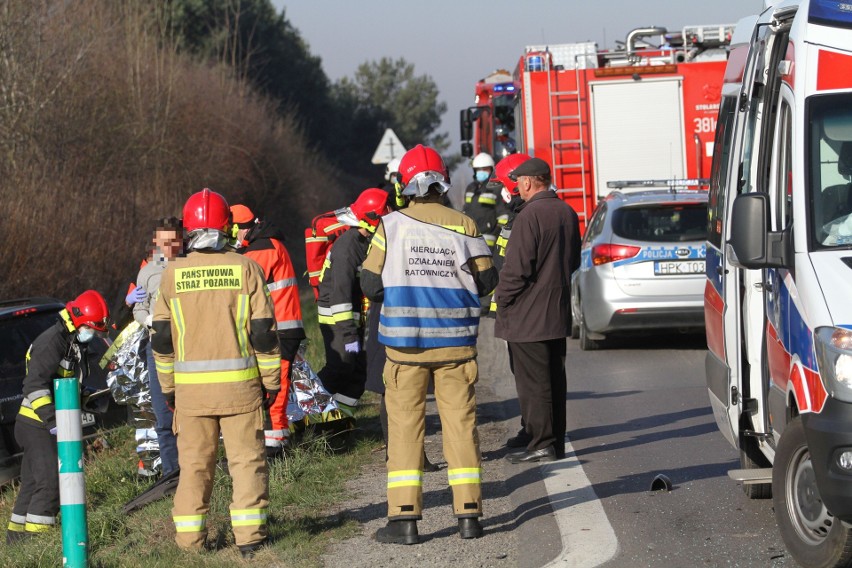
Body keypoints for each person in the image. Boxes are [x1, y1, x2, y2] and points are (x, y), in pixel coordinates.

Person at [361, 144, 498, 545]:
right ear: (442, 183)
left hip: (406, 349)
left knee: (405, 431)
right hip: (456, 347)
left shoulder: (390, 226)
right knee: (460, 427)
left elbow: (370, 284)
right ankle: (470, 516)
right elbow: (487, 281)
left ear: (407, 186)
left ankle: (404, 521)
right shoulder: (465, 225)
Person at [152, 188, 281, 558]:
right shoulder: (247, 269)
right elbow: (264, 334)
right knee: (246, 463)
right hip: (241, 391)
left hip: (191, 396)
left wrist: (169, 388)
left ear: (187, 229)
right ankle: (250, 541)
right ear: (228, 226)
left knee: (194, 467)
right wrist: (270, 382)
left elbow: (161, 339)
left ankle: (190, 544)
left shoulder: (171, 276)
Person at [493, 158, 581, 464]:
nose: (516, 187)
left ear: (529, 182)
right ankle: (552, 442)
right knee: (554, 381)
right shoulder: (567, 212)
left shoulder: (529, 216)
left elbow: (516, 269)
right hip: (556, 313)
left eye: (518, 182)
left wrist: (502, 298)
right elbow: (574, 262)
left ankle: (541, 443)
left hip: (527, 317)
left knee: (534, 384)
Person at [7, 290, 110, 543]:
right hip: (37, 425)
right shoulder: (52, 342)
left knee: (32, 485)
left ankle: (17, 542)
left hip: (38, 424)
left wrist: (87, 397)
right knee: (51, 482)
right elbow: (34, 386)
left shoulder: (71, 341)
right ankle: (38, 543)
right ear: (78, 320)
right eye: (92, 329)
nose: (93, 335)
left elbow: (62, 383)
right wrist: (54, 422)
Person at [230, 204, 305, 457]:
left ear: (241, 229)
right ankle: (276, 437)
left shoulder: (262, 249)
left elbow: (241, 283)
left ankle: (276, 445)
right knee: (274, 384)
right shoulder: (264, 244)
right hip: (280, 326)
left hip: (279, 328)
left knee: (276, 386)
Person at [316, 188, 389, 418]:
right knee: (342, 366)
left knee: (360, 372)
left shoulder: (365, 242)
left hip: (354, 322)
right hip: (339, 322)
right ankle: (306, 413)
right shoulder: (348, 248)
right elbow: (341, 297)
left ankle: (338, 423)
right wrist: (349, 336)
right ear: (371, 220)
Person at [484, 153, 535, 449]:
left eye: (502, 184)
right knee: (522, 374)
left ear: (515, 184)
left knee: (531, 377)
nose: (501, 192)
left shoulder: (526, 219)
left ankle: (536, 433)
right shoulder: (516, 217)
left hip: (522, 313)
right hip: (513, 312)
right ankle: (531, 427)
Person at [133, 217, 184, 476]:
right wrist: (149, 319)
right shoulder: (148, 271)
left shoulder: (191, 265)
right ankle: (171, 473)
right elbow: (138, 308)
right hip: (158, 351)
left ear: (181, 239)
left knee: (191, 412)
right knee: (164, 416)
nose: (169, 246)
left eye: (173, 240)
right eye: (164, 241)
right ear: (156, 242)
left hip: (189, 349)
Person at [463, 152, 507, 250]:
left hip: (490, 241)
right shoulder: (470, 188)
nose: (481, 171)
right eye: (478, 169)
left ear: (491, 170)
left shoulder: (497, 188)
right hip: (470, 239)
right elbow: (465, 211)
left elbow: (503, 216)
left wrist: (498, 234)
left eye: (485, 169)